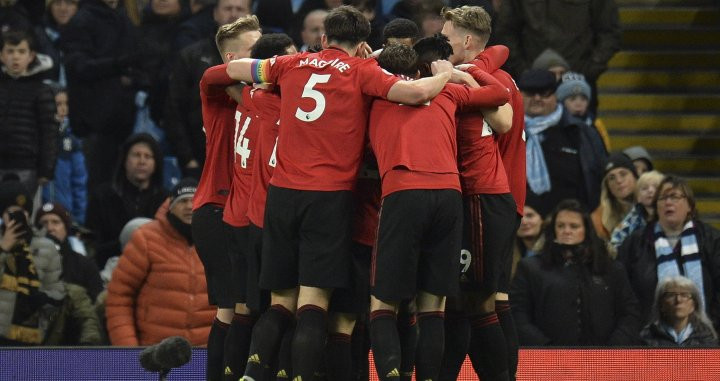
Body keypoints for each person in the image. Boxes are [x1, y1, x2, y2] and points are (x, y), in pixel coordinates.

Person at [226, 5, 454, 380]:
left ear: (324, 38)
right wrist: (444, 75)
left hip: (282, 195)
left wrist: (263, 78)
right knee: (314, 304)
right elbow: (415, 94)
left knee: (280, 302)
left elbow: (235, 70)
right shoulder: (364, 71)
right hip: (328, 198)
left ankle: (251, 374)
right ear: (362, 43)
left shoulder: (291, 64)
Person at [369, 40, 508, 381]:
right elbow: (499, 94)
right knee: (434, 306)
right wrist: (461, 72)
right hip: (448, 195)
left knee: (384, 304)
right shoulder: (448, 94)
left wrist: (370, 57)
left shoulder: (373, 93)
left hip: (403, 192)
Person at [439, 6, 519, 381]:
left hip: (484, 196)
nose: (442, 41)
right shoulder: (496, 74)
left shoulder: (480, 82)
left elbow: (503, 122)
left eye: (447, 34)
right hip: (492, 194)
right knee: (469, 298)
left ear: (466, 40)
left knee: (480, 300)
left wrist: (466, 74)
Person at [191, 15, 261, 381]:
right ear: (233, 59)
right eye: (254, 52)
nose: (263, 59)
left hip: (249, 213)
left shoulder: (262, 95)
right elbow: (210, 75)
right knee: (231, 309)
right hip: (217, 210)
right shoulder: (218, 92)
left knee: (249, 309)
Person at [510, 199, 641, 346]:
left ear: (586, 230)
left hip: (605, 360)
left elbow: (630, 314)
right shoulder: (530, 268)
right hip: (548, 361)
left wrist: (612, 350)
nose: (566, 231)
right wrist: (547, 350)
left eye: (574, 226)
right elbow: (517, 315)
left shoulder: (611, 269)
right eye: (560, 226)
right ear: (553, 230)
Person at [105, 178, 216, 346]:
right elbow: (119, 298)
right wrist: (127, 351)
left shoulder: (220, 240)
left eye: (194, 200)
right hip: (155, 354)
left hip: (207, 356)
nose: (189, 206)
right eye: (182, 201)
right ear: (170, 206)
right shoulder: (146, 239)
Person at [0, 178, 102, 346]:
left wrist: (44, 299)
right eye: (12, 213)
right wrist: (3, 249)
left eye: (24, 212)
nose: (19, 218)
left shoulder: (46, 247)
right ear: (2, 216)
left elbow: (55, 289)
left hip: (34, 332)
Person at [164, 0, 253, 177]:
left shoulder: (263, 59)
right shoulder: (191, 56)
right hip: (201, 156)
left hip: (248, 156)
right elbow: (173, 109)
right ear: (215, 14)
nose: (234, 14)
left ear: (250, 17)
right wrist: (187, 158)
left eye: (240, 9)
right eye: (228, 8)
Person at [618, 176, 720, 327]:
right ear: (656, 207)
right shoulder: (635, 243)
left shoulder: (711, 240)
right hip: (649, 338)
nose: (668, 202)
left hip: (705, 338)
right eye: (662, 198)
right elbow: (623, 294)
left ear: (689, 206)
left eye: (675, 197)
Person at [60, 0, 139, 190]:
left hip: (121, 122)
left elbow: (136, 61)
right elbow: (79, 67)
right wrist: (118, 65)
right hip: (92, 124)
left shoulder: (124, 18)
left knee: (114, 188)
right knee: (94, 189)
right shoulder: (82, 21)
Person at [495, 0, 621, 112]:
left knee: (580, 134)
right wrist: (522, 71)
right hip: (531, 85)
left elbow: (609, 33)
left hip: (578, 85)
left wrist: (589, 70)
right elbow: (505, 31)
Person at [519, 68, 607, 217]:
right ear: (518, 95)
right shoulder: (504, 131)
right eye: (530, 93)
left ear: (556, 95)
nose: (537, 98)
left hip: (571, 226)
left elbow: (599, 177)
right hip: (520, 225)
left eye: (545, 93)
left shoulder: (582, 132)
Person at [85, 133, 167, 269]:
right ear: (124, 160)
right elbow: (92, 243)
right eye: (136, 155)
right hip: (110, 267)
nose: (142, 161)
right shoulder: (103, 196)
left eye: (148, 156)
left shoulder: (166, 200)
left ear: (155, 163)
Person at [0, 29, 58, 193]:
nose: (15, 57)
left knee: (22, 213)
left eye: (21, 51)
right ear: (2, 56)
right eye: (10, 51)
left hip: (26, 166)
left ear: (31, 56)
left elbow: (49, 132)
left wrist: (46, 169)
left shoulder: (41, 90)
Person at [35, 202, 103, 302]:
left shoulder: (84, 265)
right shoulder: (27, 261)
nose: (49, 228)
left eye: (56, 222)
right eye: (44, 223)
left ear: (66, 228)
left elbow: (96, 303)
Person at [42, 84, 88, 225]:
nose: (63, 109)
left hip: (66, 215)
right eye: (58, 104)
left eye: (66, 104)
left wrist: (79, 218)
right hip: (39, 213)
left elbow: (79, 182)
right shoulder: (36, 137)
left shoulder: (72, 140)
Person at [641, 276, 718, 347]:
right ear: (661, 305)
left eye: (684, 295)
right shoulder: (647, 338)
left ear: (693, 305)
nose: (678, 300)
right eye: (671, 295)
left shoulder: (707, 339)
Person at [610, 170, 664, 250]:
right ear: (638, 197)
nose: (650, 191)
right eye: (644, 188)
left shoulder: (669, 215)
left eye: (656, 187)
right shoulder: (634, 217)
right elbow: (616, 240)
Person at [556, 71, 611, 149]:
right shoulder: (554, 125)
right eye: (572, 99)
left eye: (583, 99)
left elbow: (605, 152)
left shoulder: (596, 124)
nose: (578, 103)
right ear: (562, 102)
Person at [591, 152, 639, 241]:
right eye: (612, 178)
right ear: (607, 186)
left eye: (623, 174)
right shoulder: (598, 219)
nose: (619, 181)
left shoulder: (650, 208)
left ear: (635, 176)